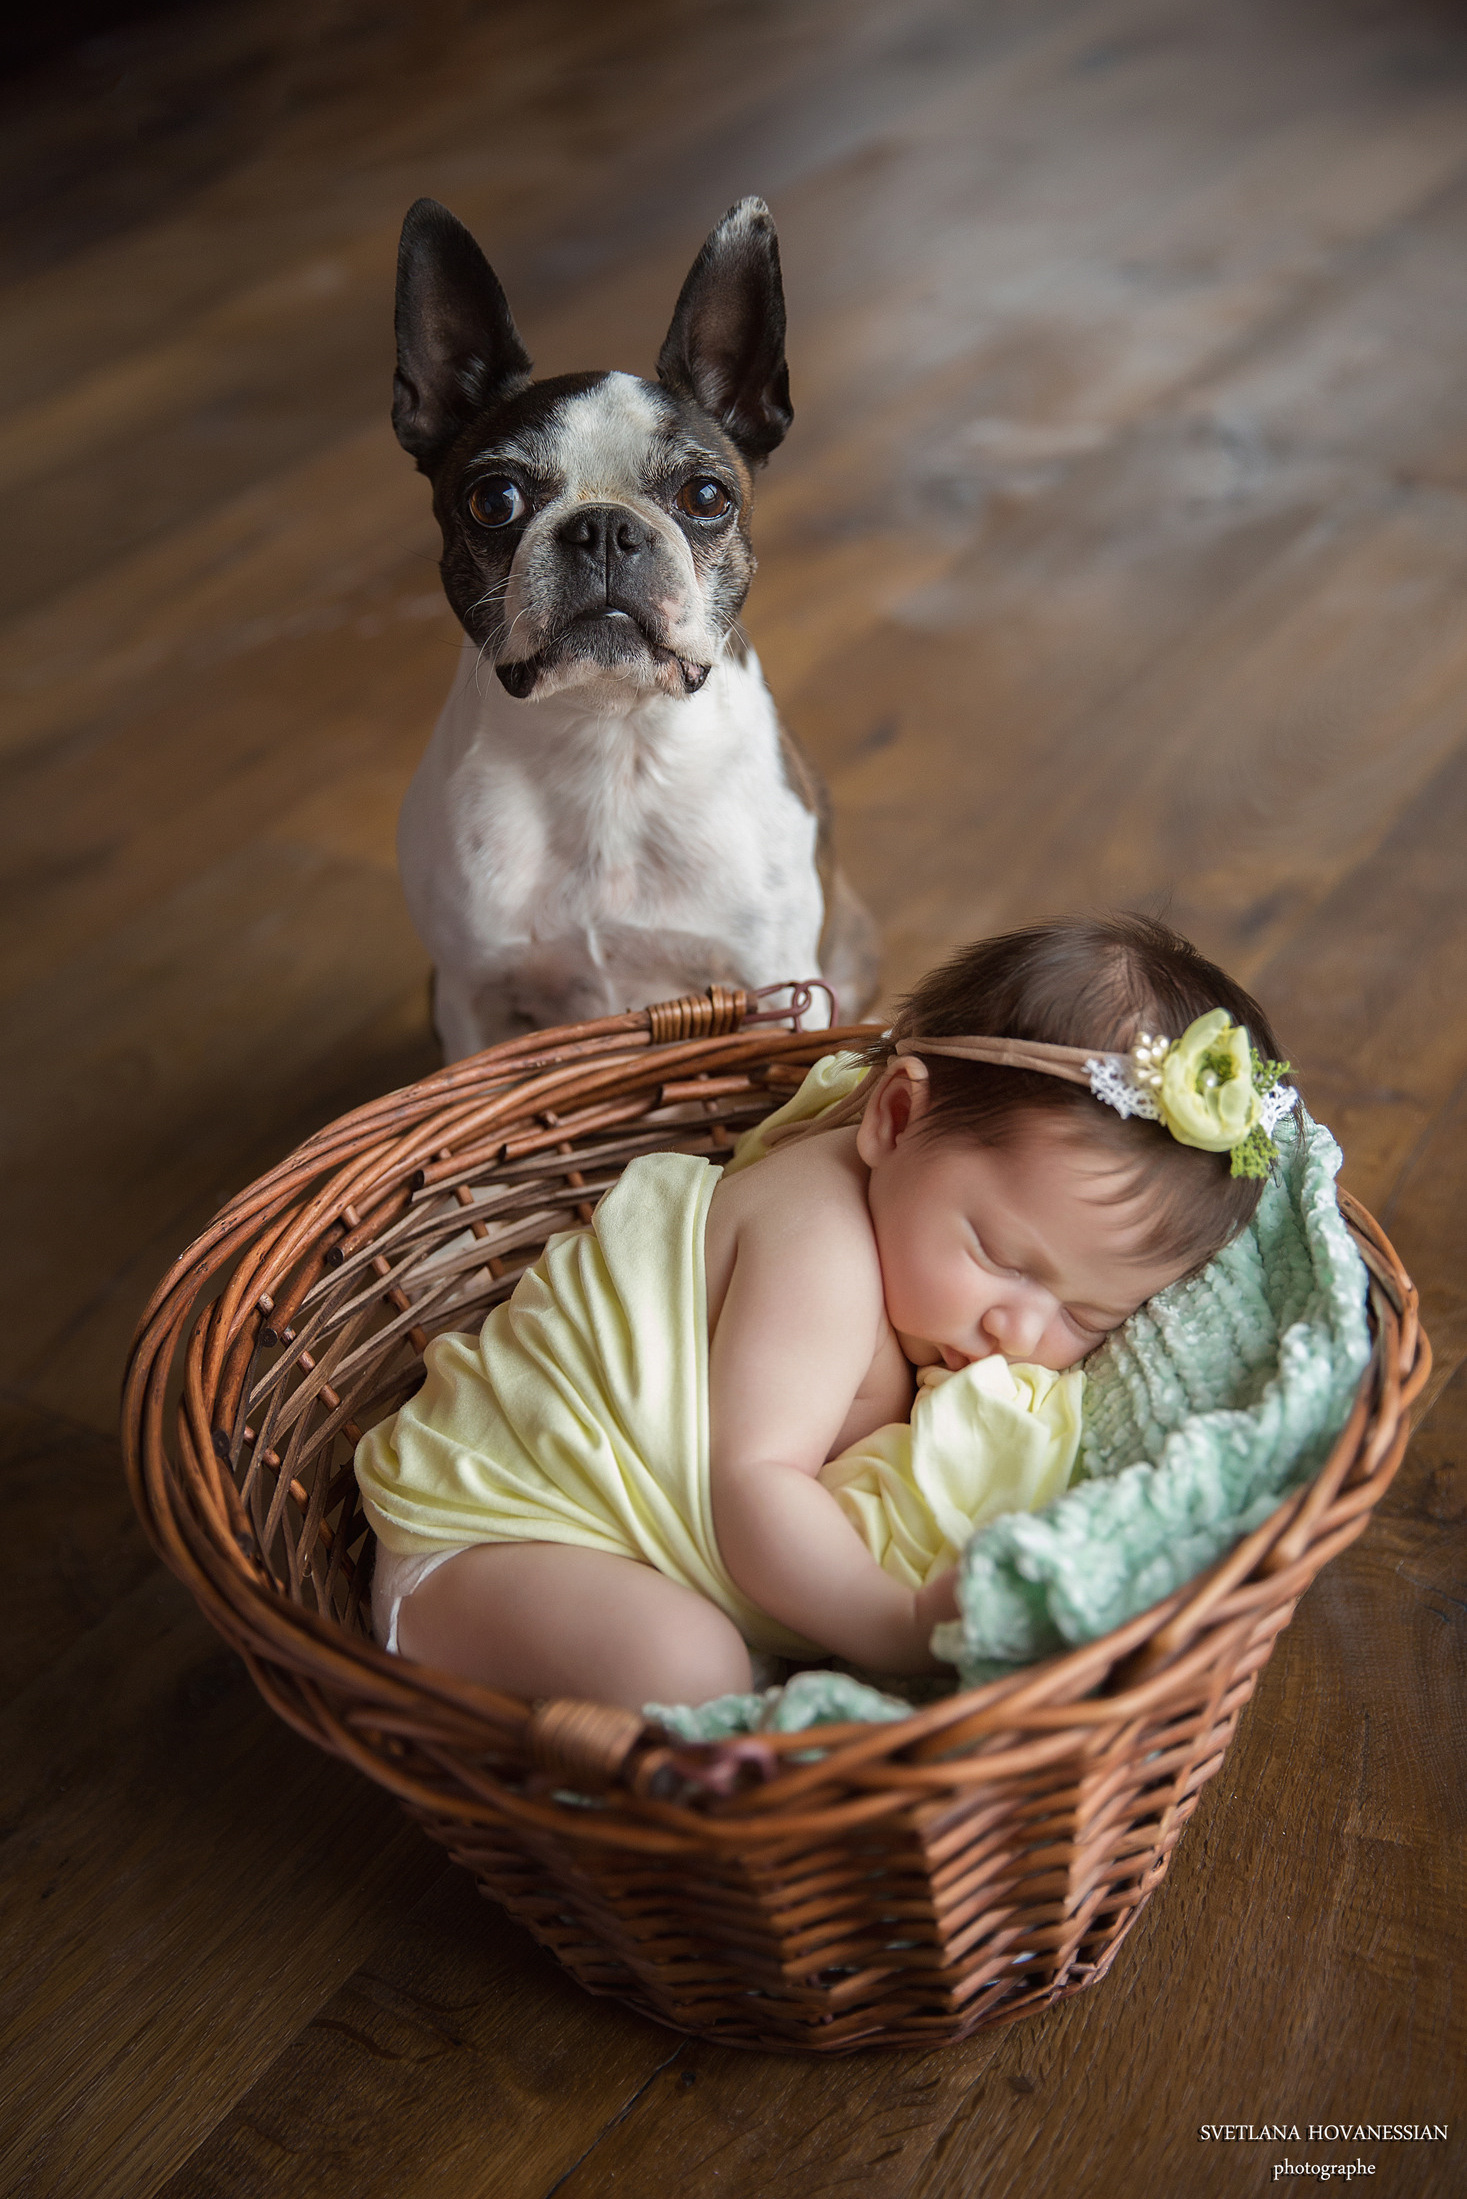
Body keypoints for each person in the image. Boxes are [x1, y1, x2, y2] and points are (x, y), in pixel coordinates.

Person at [357, 914, 1292, 1709]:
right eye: (1001, 1258)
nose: (1020, 1330)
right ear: (890, 1120)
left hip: (608, 1563)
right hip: (490, 1542)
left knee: (700, 1649)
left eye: (1086, 1316)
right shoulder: (824, 1245)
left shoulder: (925, 1262)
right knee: (687, 1665)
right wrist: (895, 1625)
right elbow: (752, 1486)